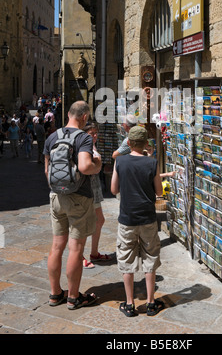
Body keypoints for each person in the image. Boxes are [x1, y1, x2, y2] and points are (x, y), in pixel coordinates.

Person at [44, 100, 102, 310]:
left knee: (56, 247)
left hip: (56, 197)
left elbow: (47, 172)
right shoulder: (84, 138)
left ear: (68, 114)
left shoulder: (52, 136)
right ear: (85, 117)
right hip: (79, 197)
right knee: (76, 249)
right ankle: (74, 297)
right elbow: (86, 166)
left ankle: (55, 294)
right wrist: (98, 164)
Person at [111, 125, 164, 317]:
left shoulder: (120, 161)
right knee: (150, 258)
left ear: (129, 143)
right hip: (147, 217)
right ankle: (151, 303)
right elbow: (159, 191)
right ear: (146, 144)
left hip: (127, 218)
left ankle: (130, 303)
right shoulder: (152, 163)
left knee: (126, 259)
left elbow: (113, 189)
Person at [82, 122, 112, 269]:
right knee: (83, 223)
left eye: (95, 133)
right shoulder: (83, 147)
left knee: (99, 220)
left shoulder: (91, 146)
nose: (94, 136)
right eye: (91, 133)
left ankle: (94, 253)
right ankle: (79, 255)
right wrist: (97, 165)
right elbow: (88, 169)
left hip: (95, 188)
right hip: (86, 189)